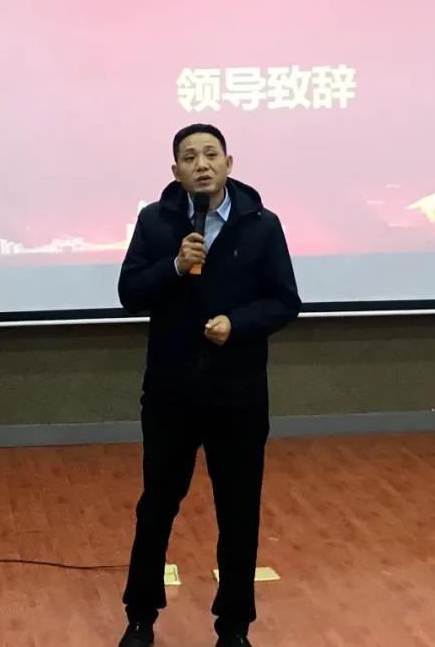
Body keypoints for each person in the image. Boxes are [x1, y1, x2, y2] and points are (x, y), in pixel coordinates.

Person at [116, 124, 301, 647]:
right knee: (157, 506)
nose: (202, 164)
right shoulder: (155, 222)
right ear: (175, 170)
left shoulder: (262, 225)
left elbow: (284, 301)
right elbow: (130, 292)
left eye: (211, 154)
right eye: (190, 157)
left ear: (228, 163)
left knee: (239, 513)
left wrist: (236, 325)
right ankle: (140, 616)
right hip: (171, 393)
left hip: (238, 396)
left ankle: (234, 626)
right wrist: (175, 266)